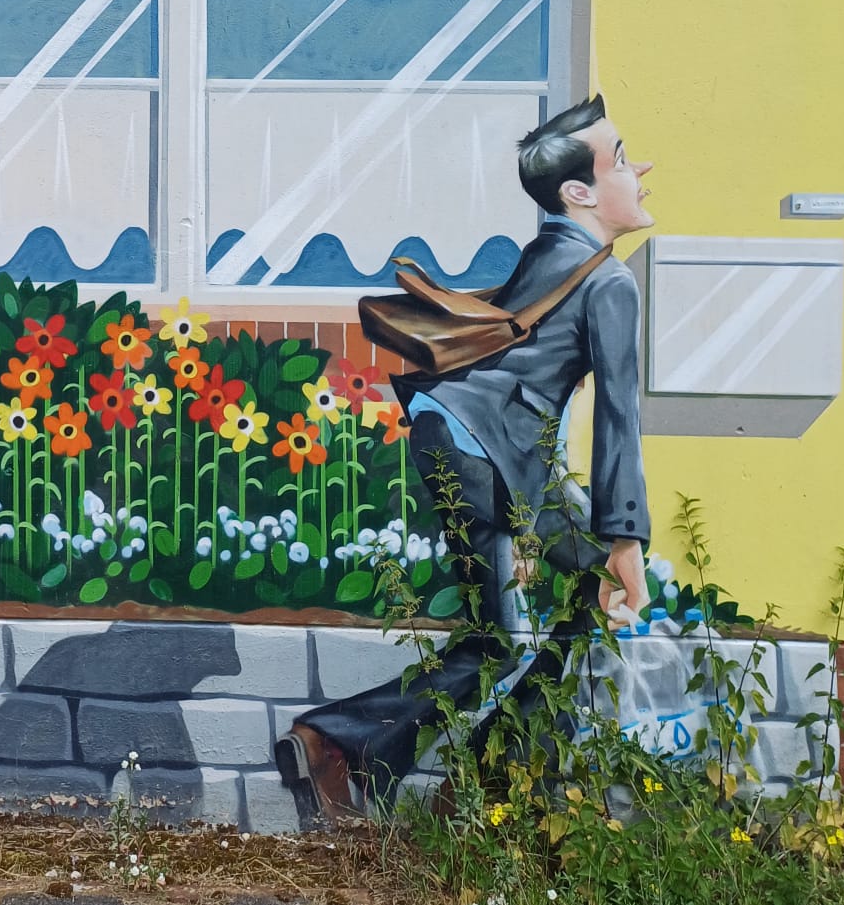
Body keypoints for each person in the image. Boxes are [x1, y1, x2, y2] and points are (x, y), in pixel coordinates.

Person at [275, 93, 655, 826]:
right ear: (579, 193)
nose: (640, 170)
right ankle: (427, 764)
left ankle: (396, 756)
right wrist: (624, 537)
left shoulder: (552, 253)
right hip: (488, 450)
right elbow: (618, 414)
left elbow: (524, 379)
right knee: (560, 616)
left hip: (455, 435)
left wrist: (538, 526)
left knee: (507, 630)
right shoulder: (607, 281)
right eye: (619, 160)